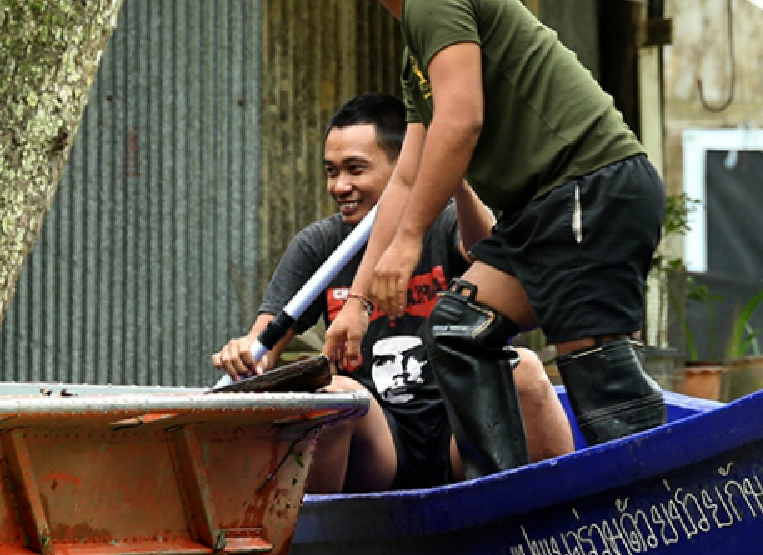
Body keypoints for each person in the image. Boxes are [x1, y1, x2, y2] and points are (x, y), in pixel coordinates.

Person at [320, 0, 668, 476]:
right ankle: (499, 499)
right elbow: (406, 179)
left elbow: (461, 122)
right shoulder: (418, 47)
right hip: (542, 213)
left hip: (586, 189)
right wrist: (360, 303)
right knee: (457, 332)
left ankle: (655, 506)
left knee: (594, 360)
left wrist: (409, 241)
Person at [212, 93, 573, 493]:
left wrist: (452, 177)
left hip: (460, 430)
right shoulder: (319, 245)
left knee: (524, 369)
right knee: (337, 395)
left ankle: (563, 518)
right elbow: (263, 345)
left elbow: (490, 251)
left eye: (355, 169)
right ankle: (318, 531)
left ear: (405, 167)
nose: (340, 186)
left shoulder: (445, 223)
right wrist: (245, 353)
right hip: (380, 442)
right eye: (331, 172)